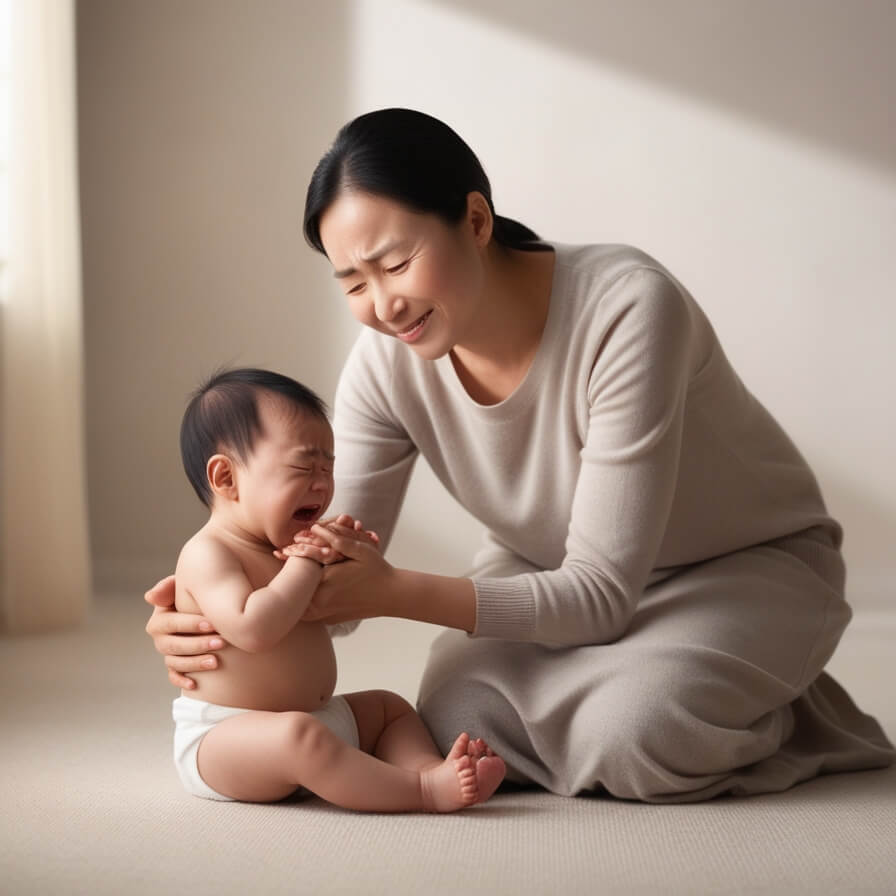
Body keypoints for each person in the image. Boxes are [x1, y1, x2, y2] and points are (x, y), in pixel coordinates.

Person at [148, 109, 894, 803]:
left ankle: (784, 700)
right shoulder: (385, 365)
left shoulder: (628, 310)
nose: (383, 305)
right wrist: (213, 611)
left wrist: (393, 590)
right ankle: (674, 679)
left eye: (397, 262)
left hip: (741, 566)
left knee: (637, 735)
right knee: (452, 723)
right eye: (353, 282)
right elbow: (325, 567)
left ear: (475, 219)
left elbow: (600, 592)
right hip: (543, 571)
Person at [167, 366, 506, 811]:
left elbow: (341, 609)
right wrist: (307, 560)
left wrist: (351, 559)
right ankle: (421, 793)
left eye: (328, 468)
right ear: (226, 478)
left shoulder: (286, 545)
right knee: (298, 737)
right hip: (228, 738)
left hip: (317, 719)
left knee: (388, 709)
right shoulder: (208, 553)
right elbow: (255, 628)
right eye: (303, 467)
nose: (323, 485)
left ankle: (426, 768)